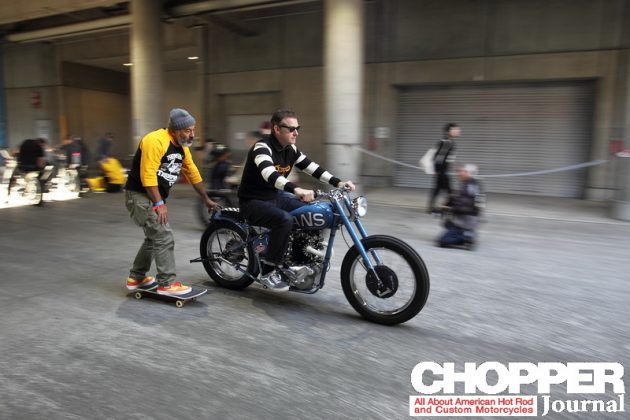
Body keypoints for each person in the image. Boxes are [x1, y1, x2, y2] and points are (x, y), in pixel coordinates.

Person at [238, 109, 356, 291]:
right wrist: (297, 189)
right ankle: (269, 271)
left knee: (312, 210)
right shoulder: (262, 147)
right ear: (277, 129)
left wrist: (338, 182)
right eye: (291, 129)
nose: (296, 133)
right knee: (284, 220)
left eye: (297, 128)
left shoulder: (290, 149)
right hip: (252, 201)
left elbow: (312, 168)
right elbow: (270, 174)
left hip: (274, 197)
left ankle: (300, 256)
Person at [124, 108, 218, 296]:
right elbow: (148, 175)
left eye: (193, 130)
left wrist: (206, 199)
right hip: (139, 196)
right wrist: (159, 204)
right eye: (188, 130)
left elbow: (192, 172)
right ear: (175, 130)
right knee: (163, 235)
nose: (192, 135)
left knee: (154, 238)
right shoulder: (155, 141)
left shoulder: (182, 147)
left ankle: (136, 277)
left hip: (152, 197)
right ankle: (166, 284)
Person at [437, 163, 484, 249]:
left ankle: (467, 237)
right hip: (468, 218)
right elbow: (460, 199)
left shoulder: (470, 186)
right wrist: (448, 203)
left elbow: (464, 207)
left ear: (469, 173)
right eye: (459, 171)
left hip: (466, 220)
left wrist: (449, 208)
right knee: (447, 223)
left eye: (462, 171)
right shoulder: (470, 183)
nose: (459, 173)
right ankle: (466, 232)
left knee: (442, 242)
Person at [428, 122, 460, 213]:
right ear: (448, 131)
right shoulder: (447, 142)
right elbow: (438, 157)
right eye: (455, 129)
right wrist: (437, 171)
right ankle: (449, 208)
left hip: (442, 170)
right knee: (449, 190)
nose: (458, 131)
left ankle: (431, 208)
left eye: (458, 129)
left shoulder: (448, 141)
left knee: (438, 189)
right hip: (442, 171)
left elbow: (446, 158)